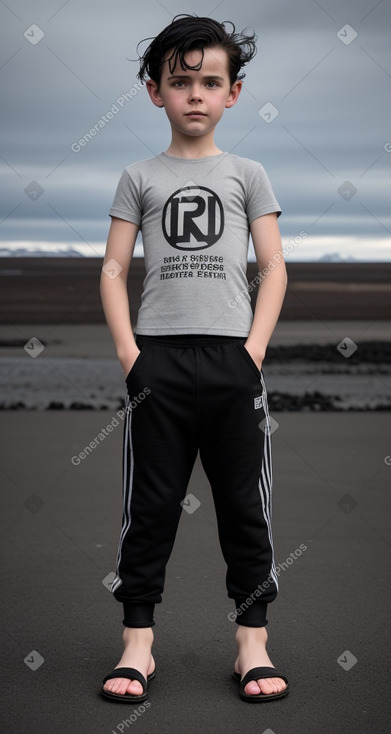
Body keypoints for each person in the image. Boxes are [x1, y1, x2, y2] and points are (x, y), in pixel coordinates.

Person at [100, 13, 289, 704]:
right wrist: (130, 356)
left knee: (245, 507)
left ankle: (251, 641)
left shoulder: (247, 174)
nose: (196, 95)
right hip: (157, 368)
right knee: (147, 506)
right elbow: (115, 271)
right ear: (155, 91)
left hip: (233, 365)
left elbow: (272, 266)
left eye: (211, 82)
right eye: (180, 82)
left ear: (233, 92)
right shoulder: (137, 175)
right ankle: (137, 643)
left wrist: (253, 351)